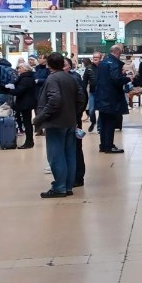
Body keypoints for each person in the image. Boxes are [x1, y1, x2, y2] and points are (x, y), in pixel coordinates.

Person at [35, 53, 85, 198]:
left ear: (49, 64)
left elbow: (54, 99)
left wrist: (41, 117)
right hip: (70, 121)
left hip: (56, 122)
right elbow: (81, 97)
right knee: (70, 154)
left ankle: (60, 187)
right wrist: (75, 113)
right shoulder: (71, 77)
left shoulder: (52, 78)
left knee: (56, 155)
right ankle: (68, 186)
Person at [94, 43, 130, 153]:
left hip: (102, 96)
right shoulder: (113, 63)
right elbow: (116, 79)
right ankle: (109, 146)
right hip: (111, 97)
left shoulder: (103, 62)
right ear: (118, 52)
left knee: (103, 122)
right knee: (110, 122)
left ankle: (103, 145)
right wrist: (127, 78)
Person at [64, 58, 86, 188]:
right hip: (71, 117)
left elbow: (82, 98)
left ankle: (78, 176)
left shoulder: (74, 78)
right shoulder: (68, 77)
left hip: (73, 118)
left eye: (65, 65)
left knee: (75, 148)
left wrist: (77, 115)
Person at [13, 63, 38, 149]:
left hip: (25, 103)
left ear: (25, 69)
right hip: (28, 102)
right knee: (27, 122)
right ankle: (29, 141)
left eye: (20, 68)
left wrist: (10, 90)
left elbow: (19, 91)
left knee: (27, 123)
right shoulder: (30, 77)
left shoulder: (25, 79)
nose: (18, 70)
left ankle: (29, 142)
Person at [82, 52, 101, 130]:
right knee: (91, 110)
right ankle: (93, 122)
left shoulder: (103, 67)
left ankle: (100, 126)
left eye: (97, 57)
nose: (95, 59)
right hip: (92, 92)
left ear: (101, 58)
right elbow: (85, 81)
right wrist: (83, 91)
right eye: (94, 57)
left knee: (102, 111)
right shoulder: (89, 68)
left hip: (102, 92)